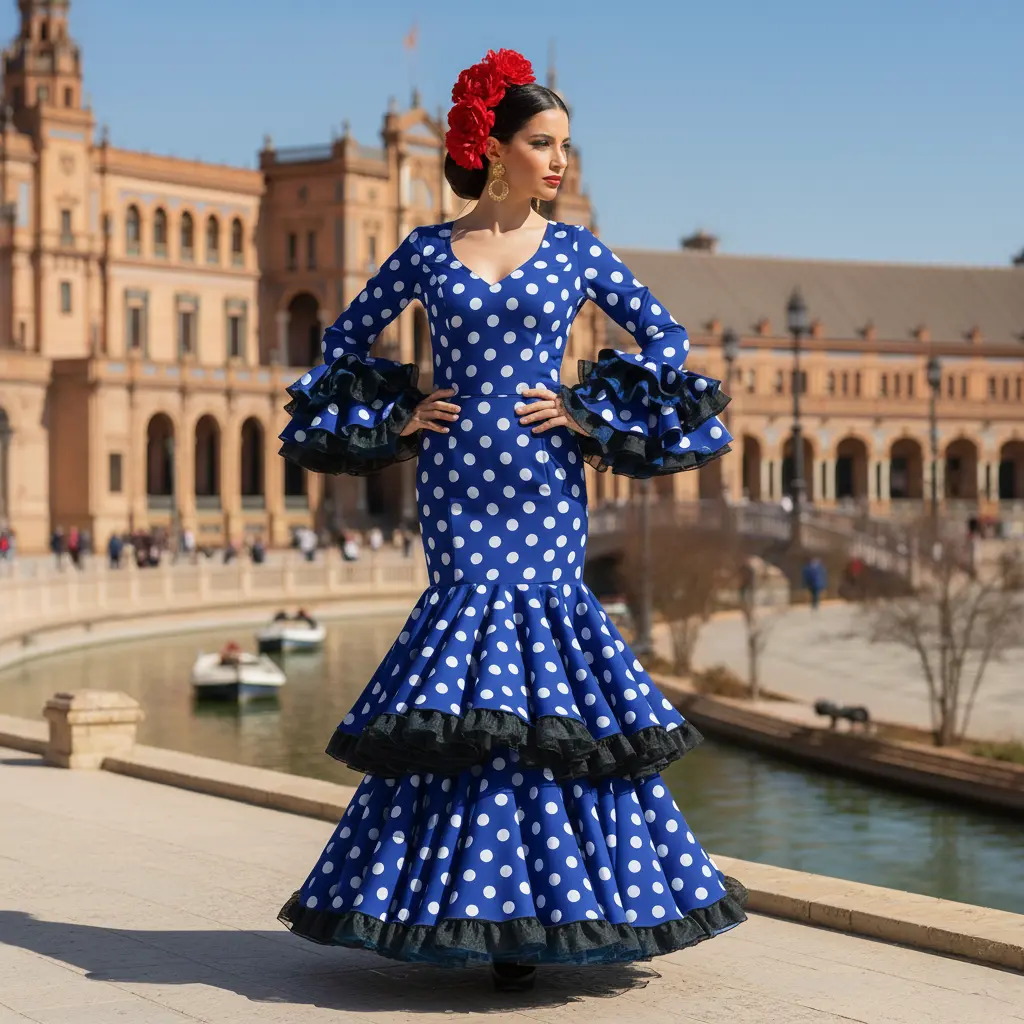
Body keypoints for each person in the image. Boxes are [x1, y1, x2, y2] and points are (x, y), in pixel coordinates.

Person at [275, 48, 745, 989]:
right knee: (466, 674)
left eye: (566, 145)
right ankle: (473, 906)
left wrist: (585, 409)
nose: (560, 160)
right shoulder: (424, 249)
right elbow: (339, 341)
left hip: (542, 480)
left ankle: (545, 910)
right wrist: (405, 407)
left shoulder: (576, 250)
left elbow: (665, 336)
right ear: (494, 150)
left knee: (544, 672)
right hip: (454, 482)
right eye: (543, 142)